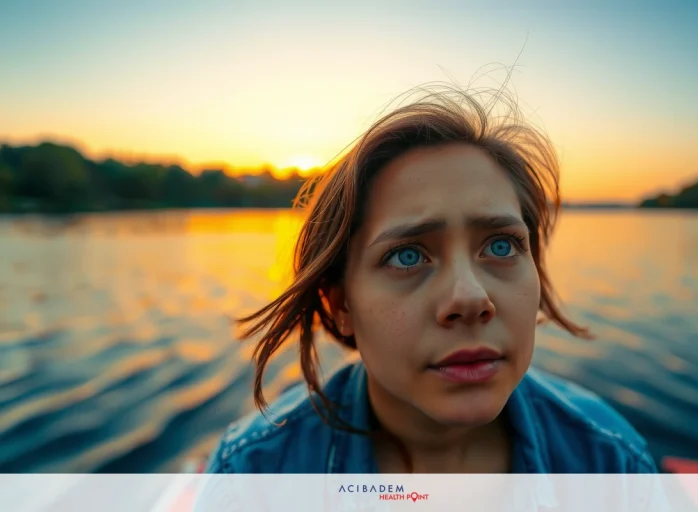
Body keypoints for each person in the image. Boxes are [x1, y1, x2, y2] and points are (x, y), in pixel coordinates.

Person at [204, 79, 657, 474]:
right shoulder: (254, 476)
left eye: (501, 246)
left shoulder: (609, 461)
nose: (471, 298)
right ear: (342, 305)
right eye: (406, 256)